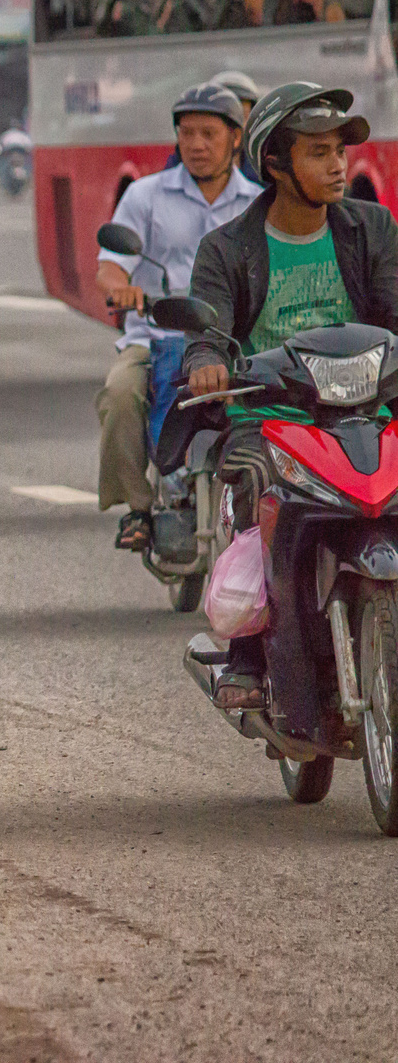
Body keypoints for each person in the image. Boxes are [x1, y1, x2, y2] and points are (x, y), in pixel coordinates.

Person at [182, 82, 391, 714]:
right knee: (252, 489)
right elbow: (207, 331)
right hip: (274, 418)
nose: (338, 166)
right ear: (275, 163)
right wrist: (209, 362)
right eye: (319, 153)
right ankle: (248, 648)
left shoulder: (372, 228)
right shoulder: (227, 249)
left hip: (368, 409)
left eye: (340, 152)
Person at [96, 83, 258, 553]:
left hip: (231, 341)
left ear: (235, 139)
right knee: (120, 395)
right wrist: (122, 289)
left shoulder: (256, 204)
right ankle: (138, 507)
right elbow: (109, 267)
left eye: (209, 133)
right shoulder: (145, 196)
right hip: (154, 333)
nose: (197, 145)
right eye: (187, 134)